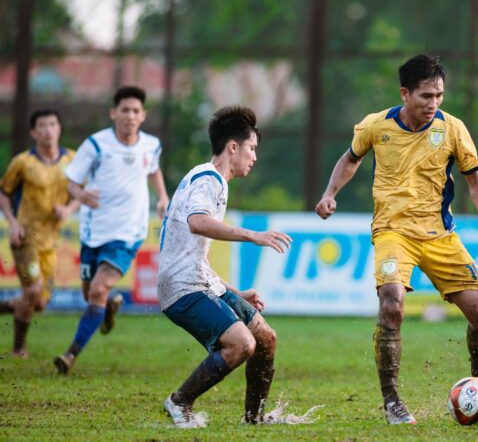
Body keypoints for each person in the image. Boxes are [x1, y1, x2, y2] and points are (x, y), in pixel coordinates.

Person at [315, 54, 478, 424]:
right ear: (405, 93)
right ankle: (393, 401)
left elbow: (475, 179)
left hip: (440, 236)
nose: (434, 104)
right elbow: (350, 159)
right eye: (426, 96)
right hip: (393, 233)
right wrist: (331, 193)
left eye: (439, 95)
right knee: (392, 304)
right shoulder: (375, 126)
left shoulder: (453, 129)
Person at [159, 106, 292, 428]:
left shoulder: (212, 179)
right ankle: (180, 402)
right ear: (233, 146)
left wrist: (234, 292)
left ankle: (254, 419)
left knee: (265, 339)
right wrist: (252, 235)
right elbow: (197, 223)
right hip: (182, 288)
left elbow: (193, 255)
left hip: (201, 281)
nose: (255, 157)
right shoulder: (210, 180)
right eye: (252, 148)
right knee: (241, 344)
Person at [53, 86, 169, 373]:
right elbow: (71, 183)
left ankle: (70, 355)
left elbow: (153, 168)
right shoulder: (95, 145)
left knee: (98, 288)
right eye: (124, 110)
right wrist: (81, 197)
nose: (129, 115)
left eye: (135, 111)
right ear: (113, 112)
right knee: (89, 293)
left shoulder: (150, 145)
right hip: (94, 231)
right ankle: (108, 309)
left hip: (129, 232)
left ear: (142, 116)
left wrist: (163, 196)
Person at [0, 109, 79, 358]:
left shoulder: (72, 160)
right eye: (42, 126)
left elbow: (81, 191)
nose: (48, 130)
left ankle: (10, 304)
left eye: (52, 124)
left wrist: (68, 208)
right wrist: (12, 223)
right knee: (33, 291)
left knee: (39, 302)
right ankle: (18, 348)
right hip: (25, 239)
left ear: (59, 129)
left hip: (51, 242)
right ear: (33, 132)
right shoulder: (23, 162)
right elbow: (4, 192)